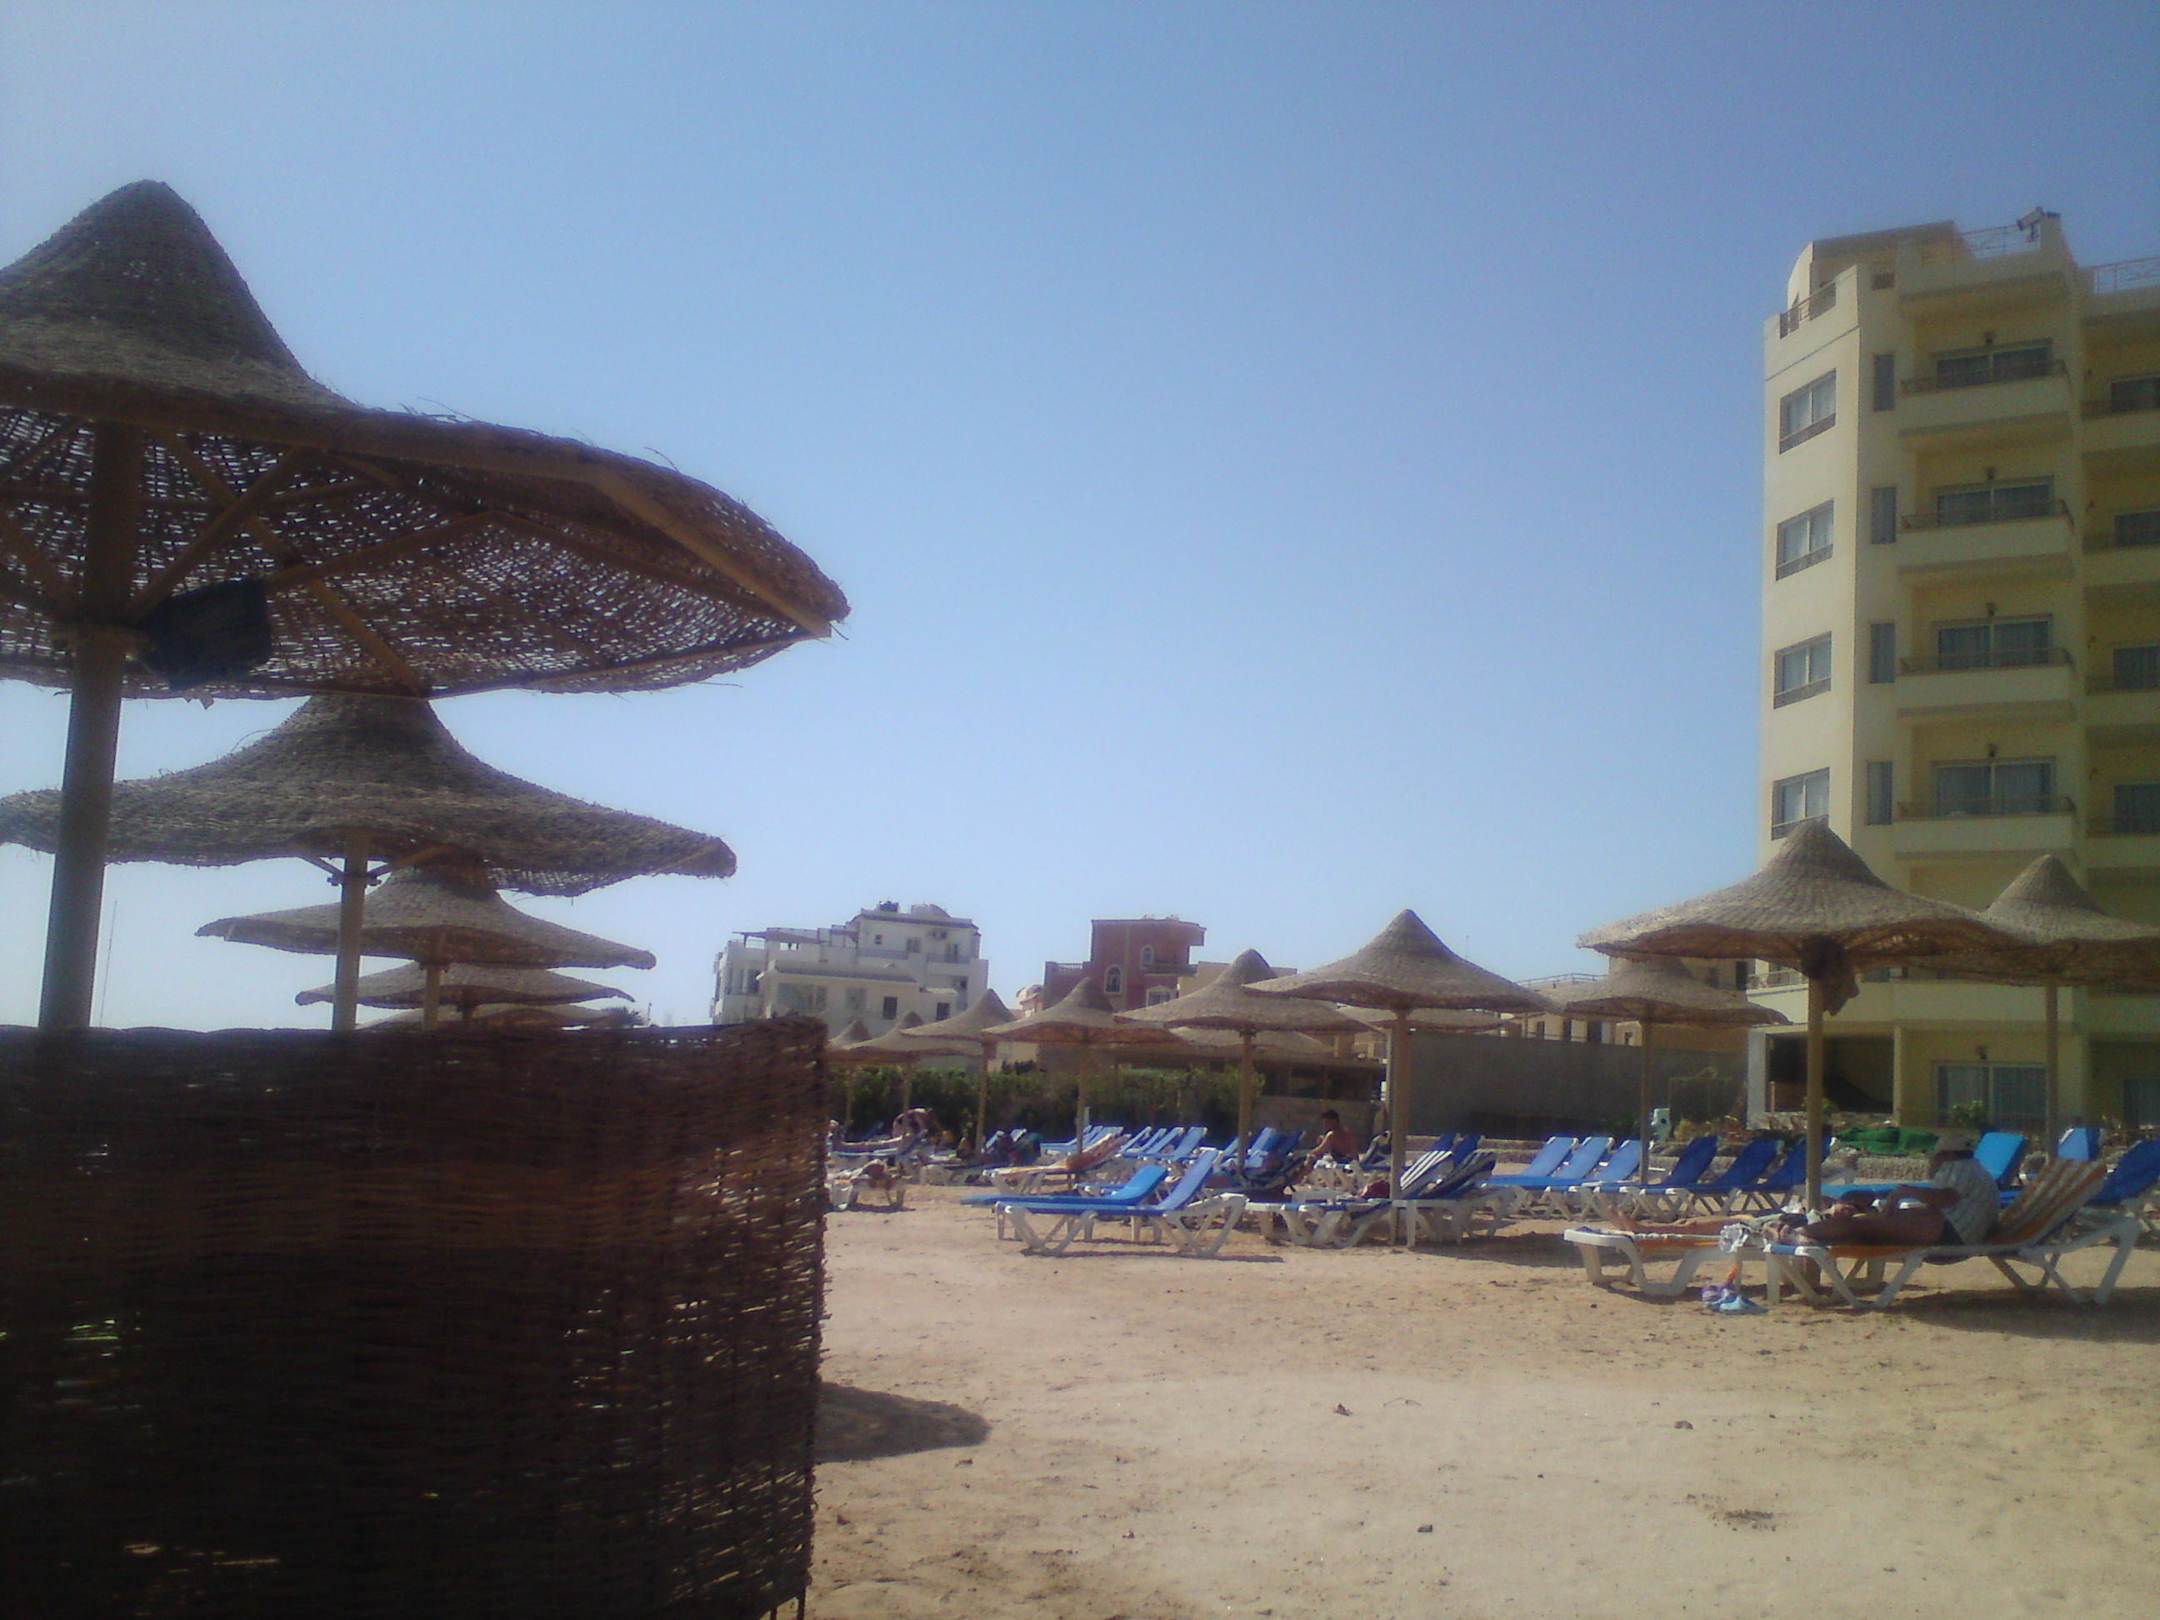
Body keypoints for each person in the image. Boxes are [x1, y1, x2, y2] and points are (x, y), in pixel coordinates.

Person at [1783, 1130, 1998, 1249]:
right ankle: (1806, 1232)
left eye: (1937, 1155)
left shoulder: (1958, 1166)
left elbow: (1947, 1198)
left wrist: (1906, 1192)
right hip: (1956, 1231)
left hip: (1951, 1233)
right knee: (1866, 1224)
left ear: (1947, 1154)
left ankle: (1801, 1233)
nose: (1934, 1159)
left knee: (1860, 1225)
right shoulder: (1975, 1169)